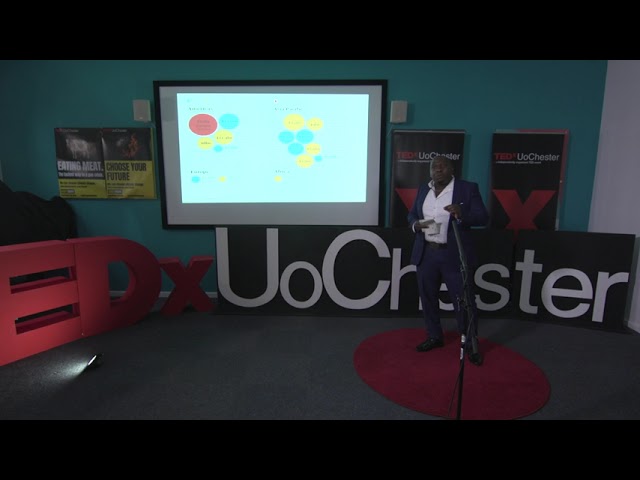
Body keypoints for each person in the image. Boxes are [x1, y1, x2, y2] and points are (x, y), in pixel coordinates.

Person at [407, 155, 489, 366]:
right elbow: (412, 214)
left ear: (452, 169)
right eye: (434, 166)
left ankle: (471, 345)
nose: (438, 169)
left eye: (443, 166)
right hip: (427, 252)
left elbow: (483, 217)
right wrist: (416, 225)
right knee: (428, 298)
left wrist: (463, 213)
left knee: (464, 301)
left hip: (453, 254)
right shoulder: (423, 189)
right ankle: (434, 336)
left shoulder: (467, 189)